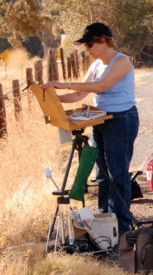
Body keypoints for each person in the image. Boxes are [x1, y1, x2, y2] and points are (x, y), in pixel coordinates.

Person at [43, 22, 139, 234]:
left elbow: (100, 86)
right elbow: (79, 95)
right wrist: (51, 97)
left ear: (103, 40)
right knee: (103, 174)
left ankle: (122, 227)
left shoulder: (121, 61)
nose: (87, 49)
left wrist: (64, 83)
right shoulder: (95, 65)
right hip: (100, 119)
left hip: (122, 119)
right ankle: (105, 221)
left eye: (89, 44)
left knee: (117, 174)